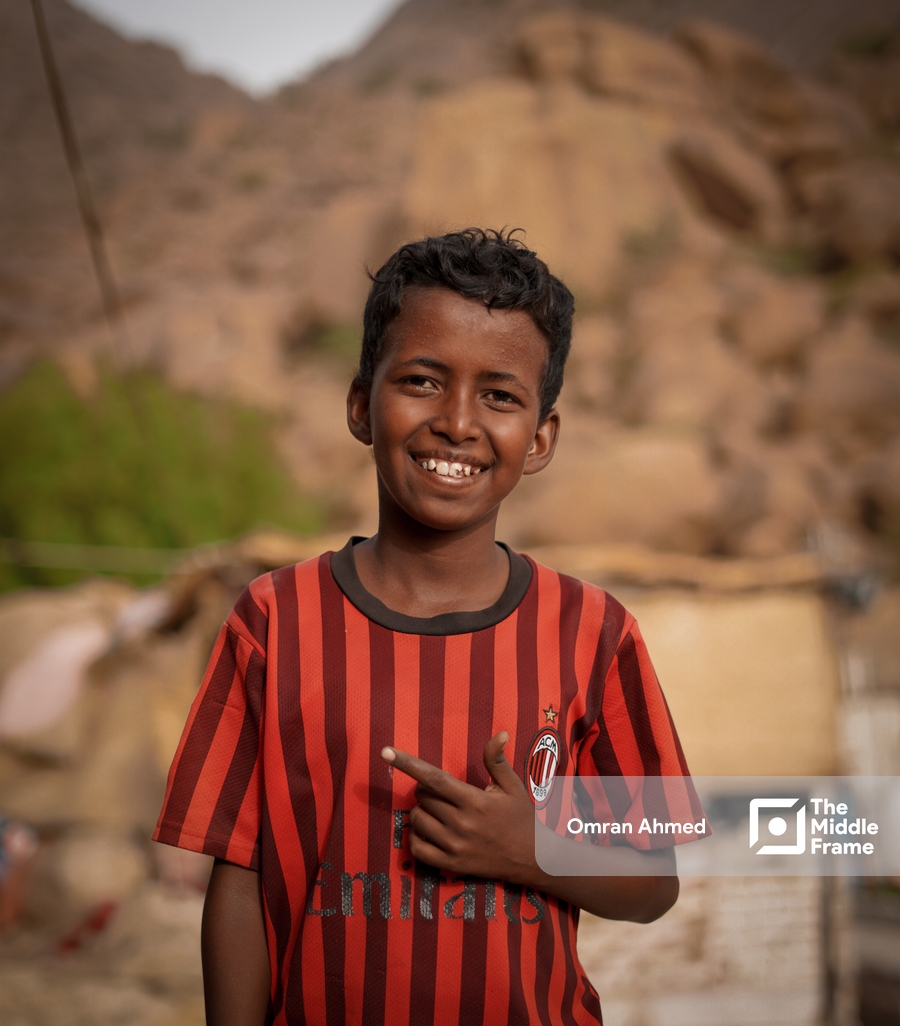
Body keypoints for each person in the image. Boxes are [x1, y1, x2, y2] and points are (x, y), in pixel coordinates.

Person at [153, 228, 701, 1026]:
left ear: (540, 438)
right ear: (360, 406)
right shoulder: (273, 619)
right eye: (421, 380)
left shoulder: (594, 633)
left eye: (500, 396)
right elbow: (239, 882)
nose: (457, 421)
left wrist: (535, 849)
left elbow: (655, 882)